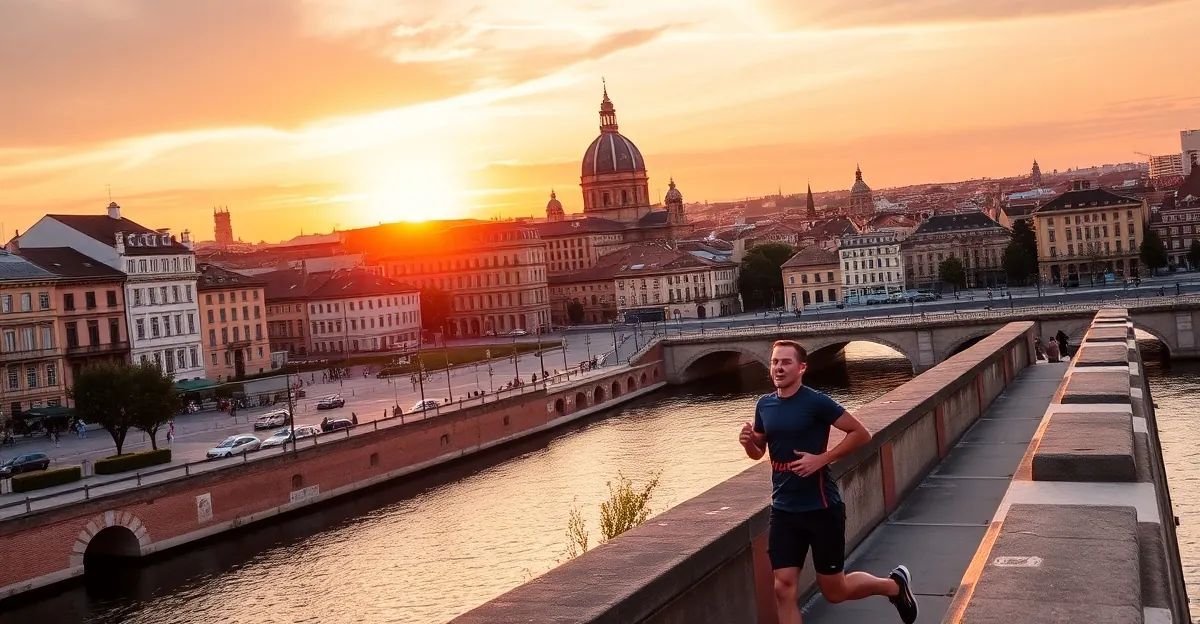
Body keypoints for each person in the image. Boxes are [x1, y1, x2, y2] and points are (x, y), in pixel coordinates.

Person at [739, 340, 917, 624]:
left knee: (835, 591)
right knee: (783, 588)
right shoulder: (764, 405)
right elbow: (758, 451)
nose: (778, 368)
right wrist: (748, 443)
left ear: (802, 368)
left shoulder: (816, 402)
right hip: (784, 510)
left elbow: (861, 433)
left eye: (786, 362)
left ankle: (893, 586)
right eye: (774, 362)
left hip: (821, 508)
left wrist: (822, 459)